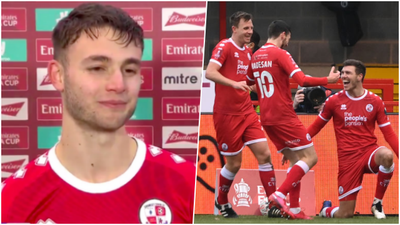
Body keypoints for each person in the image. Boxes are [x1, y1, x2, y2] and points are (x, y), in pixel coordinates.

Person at [1, 3, 195, 224]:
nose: (118, 84)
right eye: (97, 68)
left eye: (129, 70)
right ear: (58, 75)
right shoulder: (13, 202)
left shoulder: (187, 183)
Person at [246, 20, 340, 219]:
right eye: (288, 37)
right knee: (311, 157)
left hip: (266, 117)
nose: (288, 41)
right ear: (283, 34)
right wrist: (328, 80)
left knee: (296, 159)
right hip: (283, 115)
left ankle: (295, 208)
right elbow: (303, 80)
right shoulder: (280, 53)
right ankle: (279, 195)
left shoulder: (255, 57)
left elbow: (249, 83)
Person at [206, 11, 277, 218]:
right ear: (234, 29)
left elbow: (247, 82)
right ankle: (221, 201)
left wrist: (257, 88)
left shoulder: (248, 52)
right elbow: (210, 72)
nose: (250, 32)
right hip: (226, 115)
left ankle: (273, 203)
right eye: (246, 28)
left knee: (264, 154)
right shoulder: (224, 46)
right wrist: (234, 83)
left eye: (251, 28)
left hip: (246, 111)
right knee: (234, 164)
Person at [307, 59, 398, 219]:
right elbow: (315, 127)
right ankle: (326, 210)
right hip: (347, 161)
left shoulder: (375, 101)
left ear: (359, 76)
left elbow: (389, 133)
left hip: (369, 153)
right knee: (345, 214)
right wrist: (295, 145)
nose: (343, 76)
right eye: (342, 73)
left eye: (348, 73)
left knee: (387, 156)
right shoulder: (334, 101)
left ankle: (377, 203)